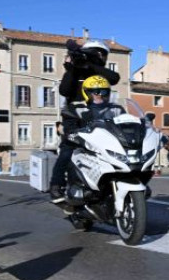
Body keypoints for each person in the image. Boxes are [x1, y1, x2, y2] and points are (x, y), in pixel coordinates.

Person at [50, 40, 120, 201]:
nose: (102, 57)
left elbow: (115, 78)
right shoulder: (75, 71)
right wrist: (74, 69)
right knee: (68, 148)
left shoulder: (98, 72)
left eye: (103, 54)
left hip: (98, 116)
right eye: (99, 53)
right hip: (74, 117)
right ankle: (56, 185)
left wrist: (90, 66)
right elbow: (64, 90)